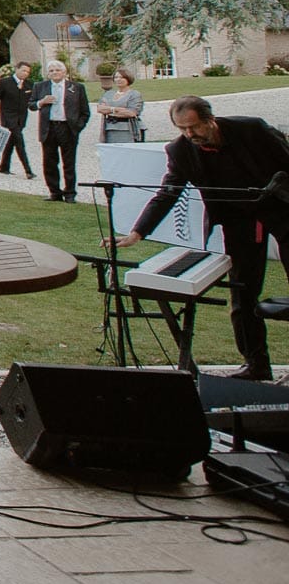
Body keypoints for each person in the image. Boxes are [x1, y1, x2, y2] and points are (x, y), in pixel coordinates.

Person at [111, 97, 289, 381]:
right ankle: (256, 364)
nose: (189, 135)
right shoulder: (180, 151)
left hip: (281, 208)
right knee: (243, 293)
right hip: (237, 220)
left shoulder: (252, 130)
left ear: (210, 120)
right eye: (182, 129)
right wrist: (137, 232)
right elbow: (168, 192)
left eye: (194, 127)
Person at [32, 59, 91, 202]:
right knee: (49, 162)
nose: (55, 73)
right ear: (48, 73)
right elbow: (31, 105)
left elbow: (85, 111)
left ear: (64, 72)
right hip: (49, 127)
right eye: (51, 70)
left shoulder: (76, 87)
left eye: (57, 70)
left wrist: (77, 127)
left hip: (68, 128)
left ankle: (70, 193)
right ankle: (54, 192)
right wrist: (42, 102)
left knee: (69, 162)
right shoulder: (40, 86)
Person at [0, 61, 35, 177]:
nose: (25, 73)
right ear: (17, 69)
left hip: (21, 118)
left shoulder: (29, 84)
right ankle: (28, 170)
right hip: (8, 117)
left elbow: (32, 101)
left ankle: (4, 166)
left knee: (11, 141)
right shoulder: (4, 83)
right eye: (23, 70)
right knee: (19, 141)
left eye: (28, 72)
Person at [97, 69, 146, 144]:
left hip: (128, 130)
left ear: (128, 79)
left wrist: (110, 110)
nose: (118, 80)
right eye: (116, 77)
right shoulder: (108, 94)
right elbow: (100, 109)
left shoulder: (134, 94)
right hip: (110, 129)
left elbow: (132, 113)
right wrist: (118, 110)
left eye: (122, 77)